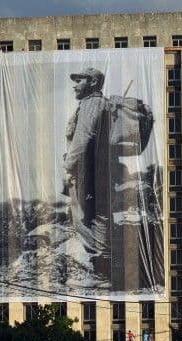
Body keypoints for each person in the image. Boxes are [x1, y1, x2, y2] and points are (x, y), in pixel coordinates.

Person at [62, 67, 112, 275]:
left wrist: (68, 167)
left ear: (92, 82)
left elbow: (83, 138)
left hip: (88, 172)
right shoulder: (94, 103)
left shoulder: (92, 103)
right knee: (92, 217)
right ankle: (102, 265)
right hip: (94, 170)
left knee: (86, 218)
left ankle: (102, 267)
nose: (74, 85)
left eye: (79, 80)